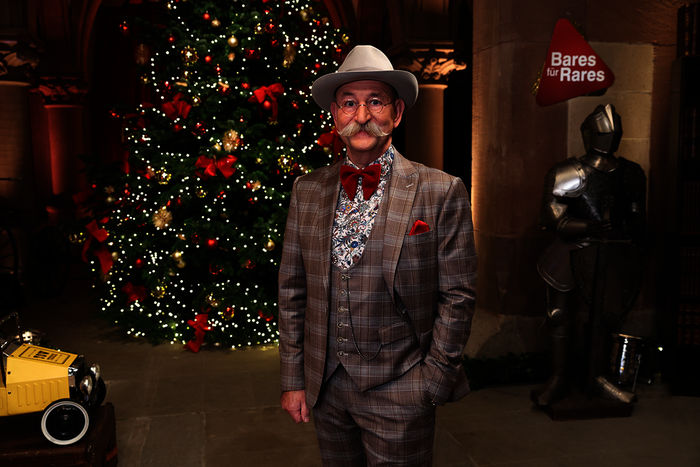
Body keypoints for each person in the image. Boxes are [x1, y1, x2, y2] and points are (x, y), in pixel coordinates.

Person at [278, 45, 477, 466]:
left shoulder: (440, 191)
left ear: (397, 113)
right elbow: (293, 292)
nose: (362, 115)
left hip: (403, 388)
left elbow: (458, 295)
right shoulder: (307, 190)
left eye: (375, 102)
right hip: (326, 388)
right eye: (349, 103)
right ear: (335, 114)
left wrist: (432, 382)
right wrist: (294, 378)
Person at [533, 104, 646, 407]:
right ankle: (558, 379)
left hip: (613, 254)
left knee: (605, 318)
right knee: (559, 316)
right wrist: (589, 225)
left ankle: (598, 377)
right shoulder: (569, 171)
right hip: (573, 250)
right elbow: (553, 218)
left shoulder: (631, 174)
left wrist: (623, 231)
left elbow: (637, 218)